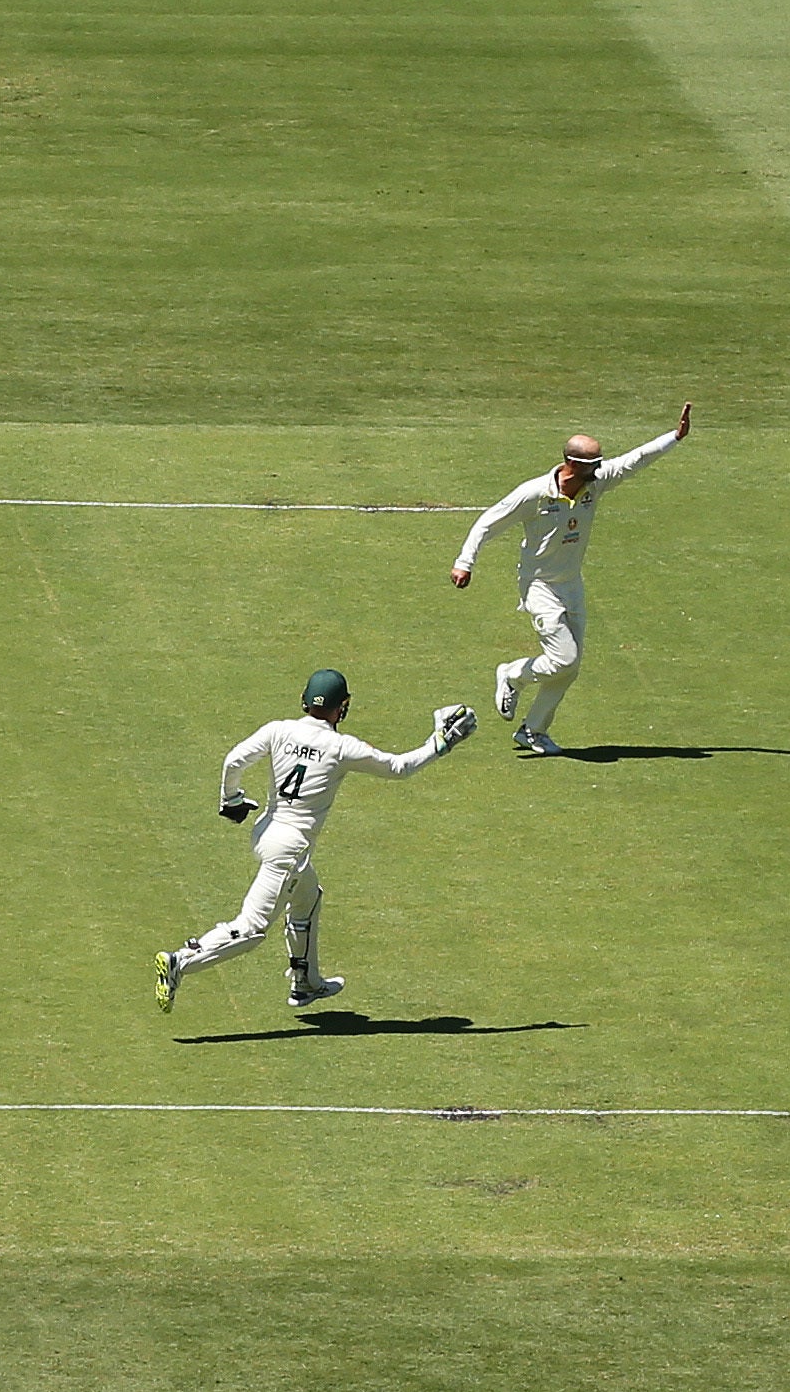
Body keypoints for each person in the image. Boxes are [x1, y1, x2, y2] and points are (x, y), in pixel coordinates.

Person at [154, 670, 475, 1012]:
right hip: (290, 851)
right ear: (343, 707)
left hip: (267, 832)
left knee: (307, 897)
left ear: (304, 700)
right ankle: (181, 962)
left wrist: (230, 800)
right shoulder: (341, 747)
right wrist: (441, 743)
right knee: (251, 930)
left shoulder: (278, 730)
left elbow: (234, 760)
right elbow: (398, 767)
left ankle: (305, 982)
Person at [449, 404, 693, 756]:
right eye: (592, 463)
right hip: (539, 586)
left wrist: (675, 437)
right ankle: (512, 674)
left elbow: (635, 459)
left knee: (570, 667)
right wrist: (464, 562)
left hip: (571, 585)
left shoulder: (597, 481)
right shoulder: (534, 493)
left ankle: (533, 731)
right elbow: (488, 522)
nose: (600, 468)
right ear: (571, 463)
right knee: (563, 659)